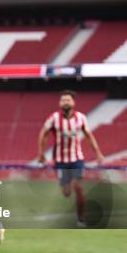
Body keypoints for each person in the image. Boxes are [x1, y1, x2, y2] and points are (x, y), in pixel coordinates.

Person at [37, 90, 104, 227]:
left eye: (68, 100)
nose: (66, 102)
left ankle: (81, 219)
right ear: (60, 103)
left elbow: (89, 135)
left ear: (73, 102)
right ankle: (68, 190)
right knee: (67, 192)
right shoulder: (54, 118)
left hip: (77, 159)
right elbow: (43, 134)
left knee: (78, 187)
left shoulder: (81, 118)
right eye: (63, 100)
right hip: (60, 161)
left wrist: (98, 153)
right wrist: (41, 154)